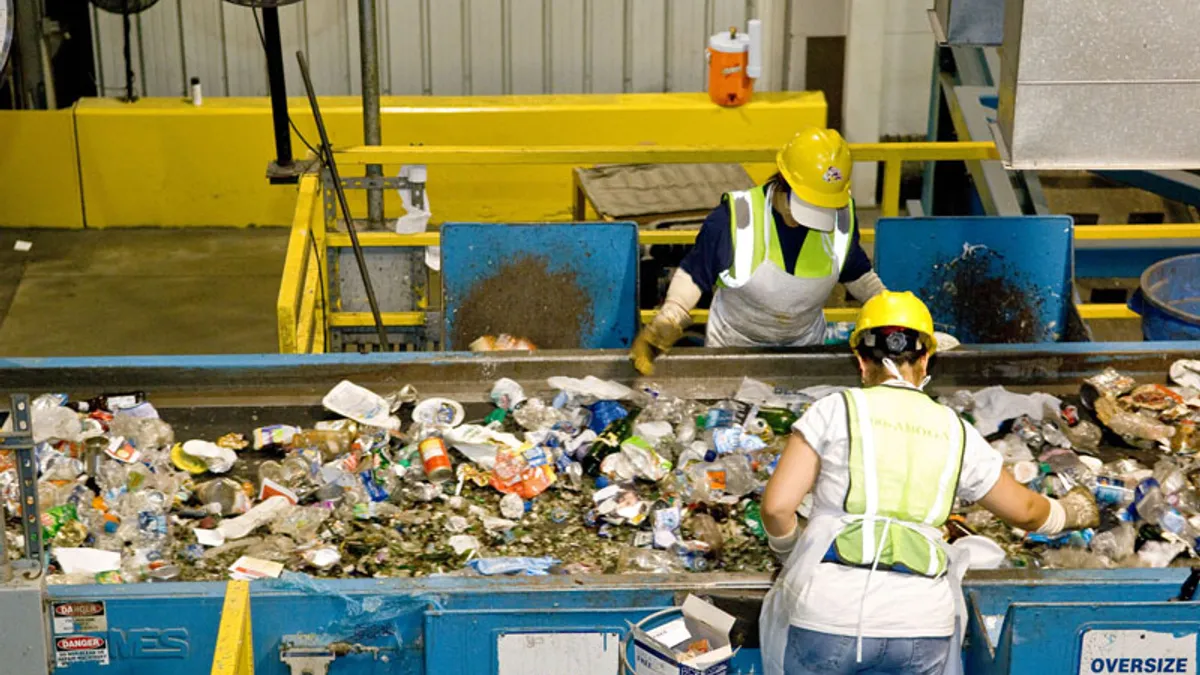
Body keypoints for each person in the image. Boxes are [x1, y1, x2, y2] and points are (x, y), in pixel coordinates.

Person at [757, 291, 1099, 675]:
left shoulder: (834, 410)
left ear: (860, 361)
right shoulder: (956, 430)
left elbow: (776, 507)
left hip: (828, 616)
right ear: (924, 359)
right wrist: (1072, 512)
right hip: (922, 624)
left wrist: (789, 553)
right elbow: (1026, 511)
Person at [630, 127, 887, 375]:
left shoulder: (841, 221)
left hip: (804, 353)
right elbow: (696, 273)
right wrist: (668, 319)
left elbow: (857, 273)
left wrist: (888, 308)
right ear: (783, 184)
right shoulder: (736, 219)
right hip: (733, 351)